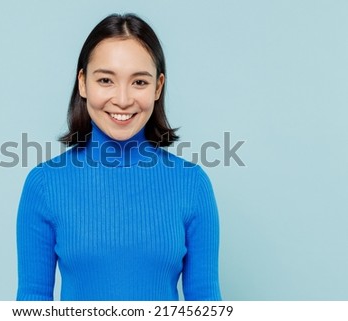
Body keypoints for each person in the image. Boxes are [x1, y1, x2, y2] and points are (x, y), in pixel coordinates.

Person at [16, 13, 222, 301]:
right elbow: (33, 300)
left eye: (139, 82)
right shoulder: (45, 185)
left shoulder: (192, 185)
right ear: (83, 83)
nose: (123, 99)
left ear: (158, 87)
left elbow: (205, 302)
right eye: (105, 80)